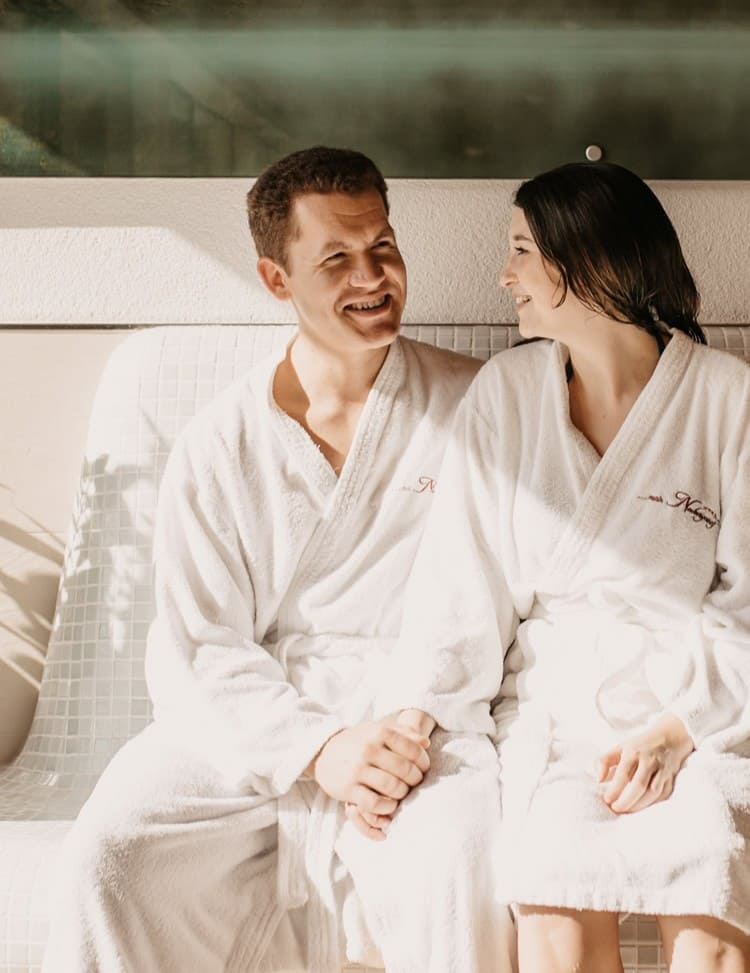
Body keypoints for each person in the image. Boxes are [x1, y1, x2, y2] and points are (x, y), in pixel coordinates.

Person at [42, 146, 516, 973]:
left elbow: (501, 599)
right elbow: (198, 648)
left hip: (418, 721)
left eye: (383, 244)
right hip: (259, 718)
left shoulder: (480, 407)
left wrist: (407, 723)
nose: (373, 274)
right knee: (112, 852)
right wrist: (320, 748)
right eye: (336, 256)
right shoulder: (220, 442)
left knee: (462, 859)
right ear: (276, 279)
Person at [374, 162, 750, 972]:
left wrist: (679, 728)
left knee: (711, 891)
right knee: (554, 914)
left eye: (519, 250)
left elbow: (748, 601)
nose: (503, 276)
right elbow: (459, 585)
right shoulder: (506, 395)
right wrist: (418, 711)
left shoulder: (730, 400)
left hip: (702, 712)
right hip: (559, 708)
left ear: (591, 260)